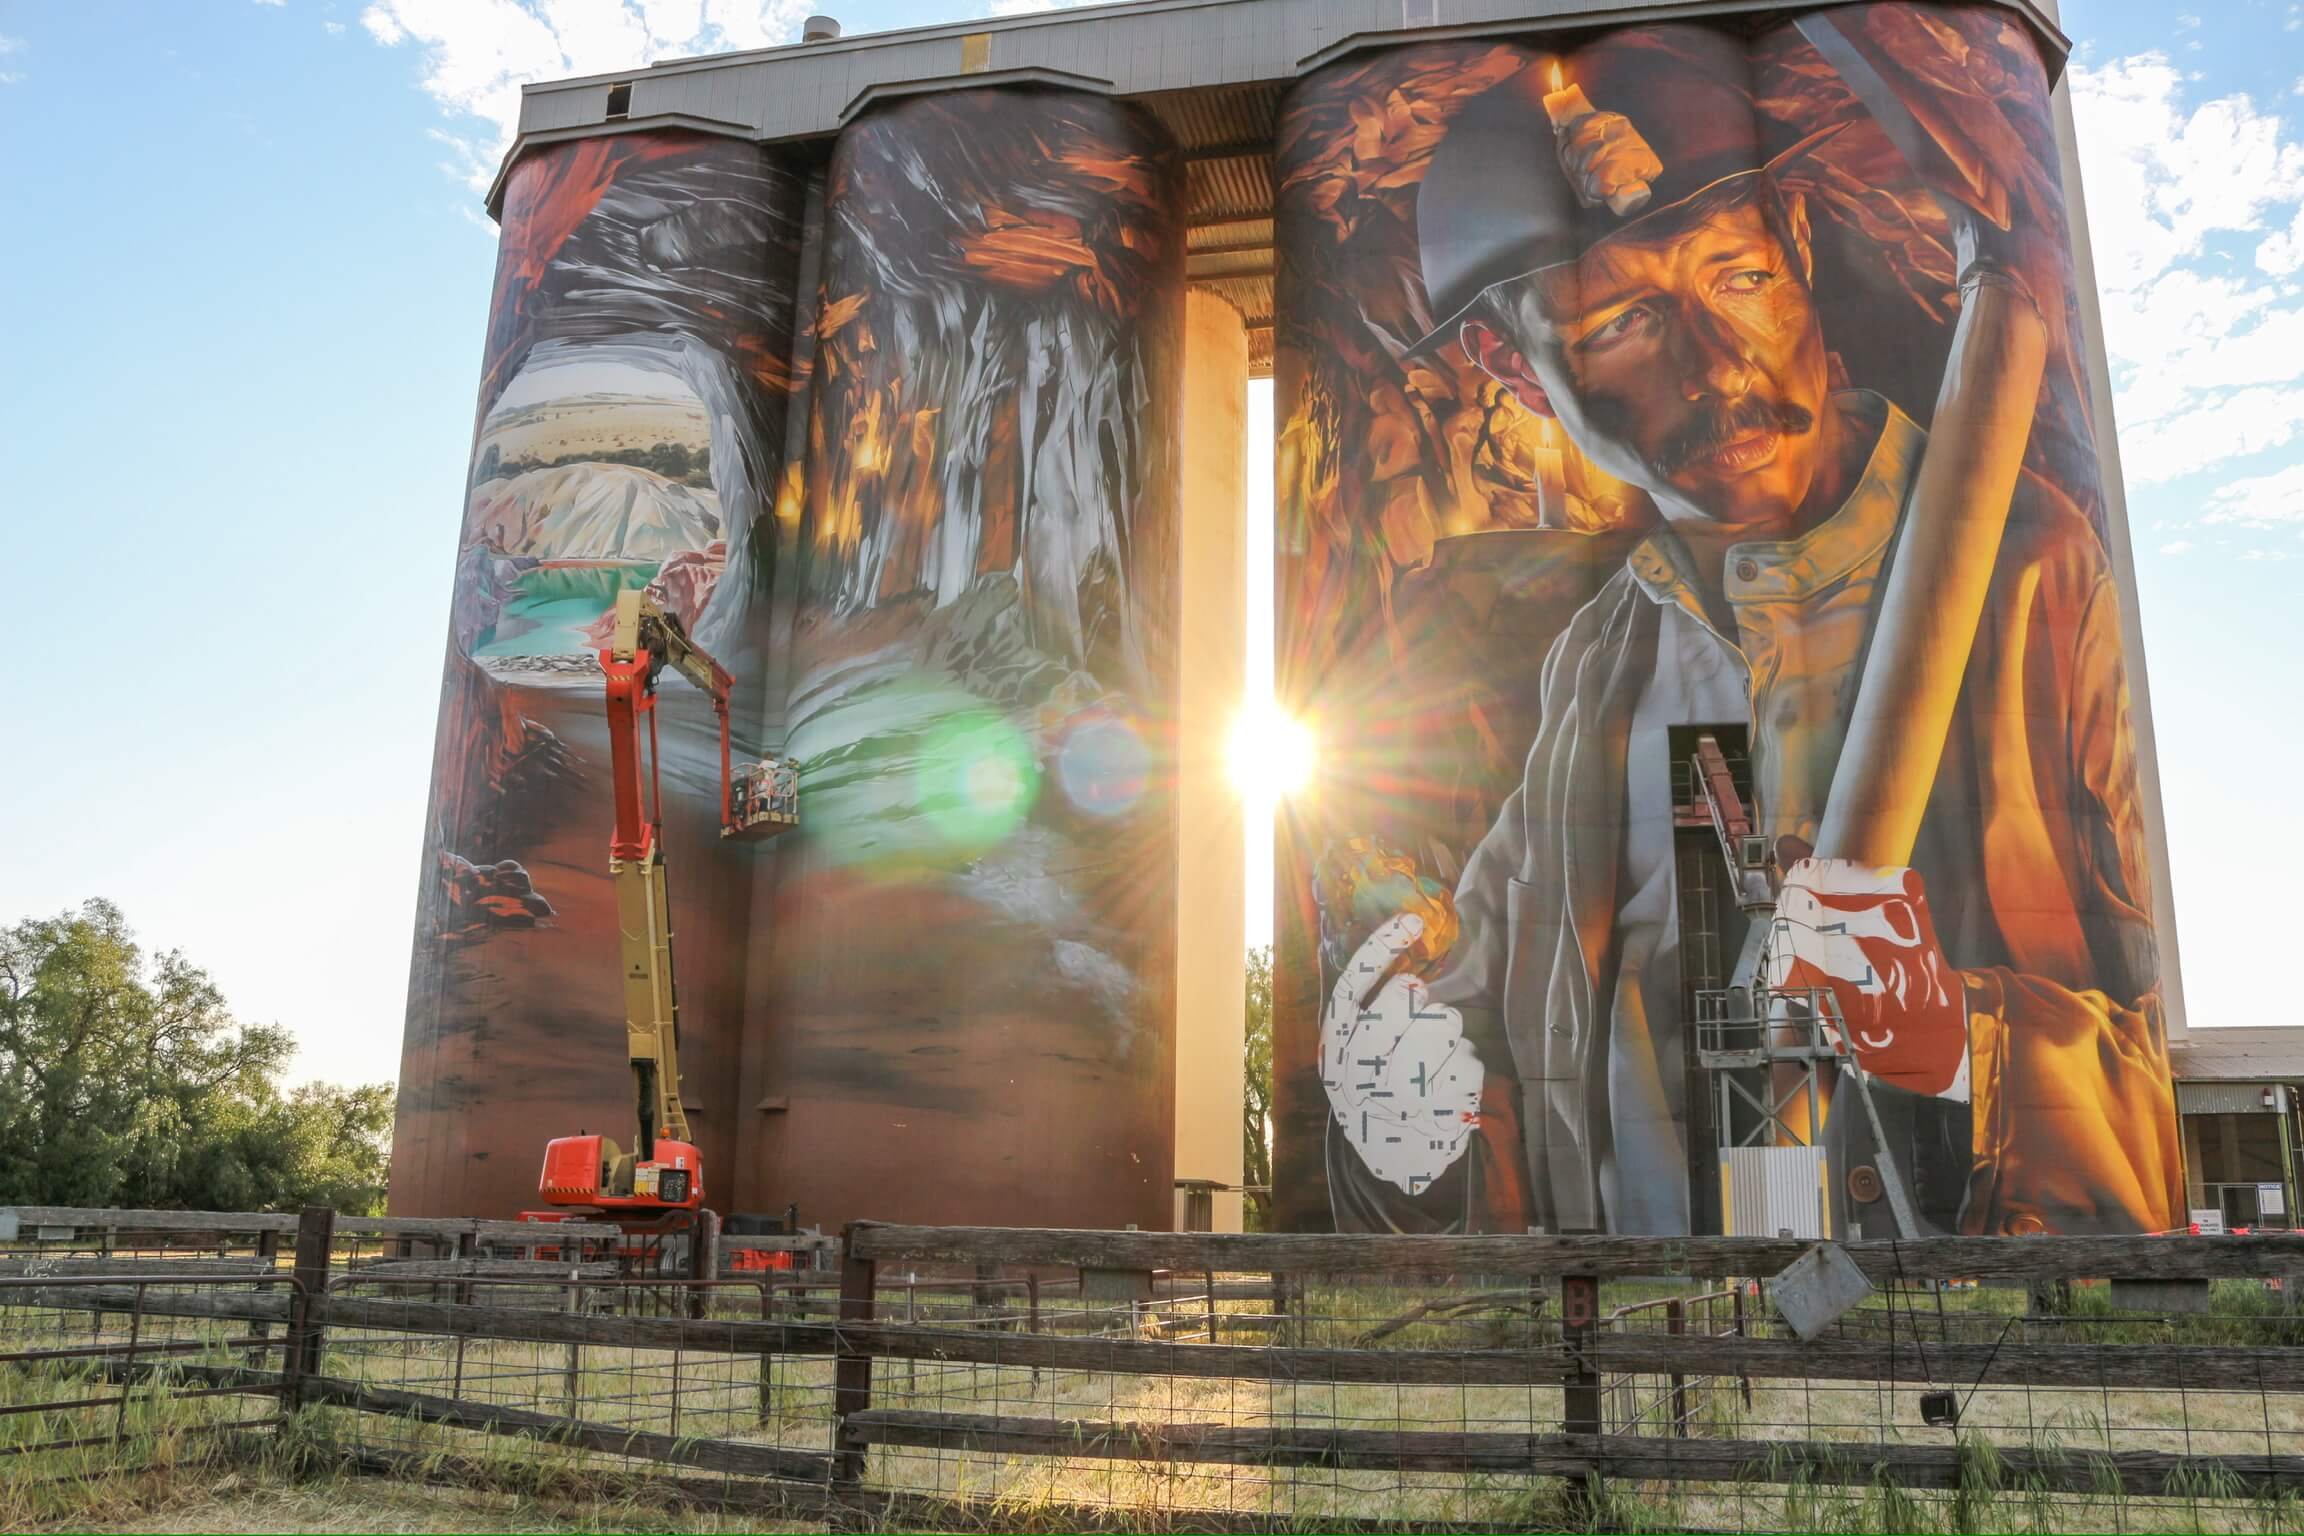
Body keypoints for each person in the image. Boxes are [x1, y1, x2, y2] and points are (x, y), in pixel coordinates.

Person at [1323, 31, 2179, 1238]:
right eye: (1621, 323)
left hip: (1915, 1362)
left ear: (1807, 255)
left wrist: (1962, 1044)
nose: (1720, 371)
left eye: (1740, 280)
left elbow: (2140, 1105)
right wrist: (1396, 1130)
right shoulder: (1599, 664)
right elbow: (1493, 1074)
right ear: (1513, 377)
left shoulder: (2023, 573)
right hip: (1637, 1358)